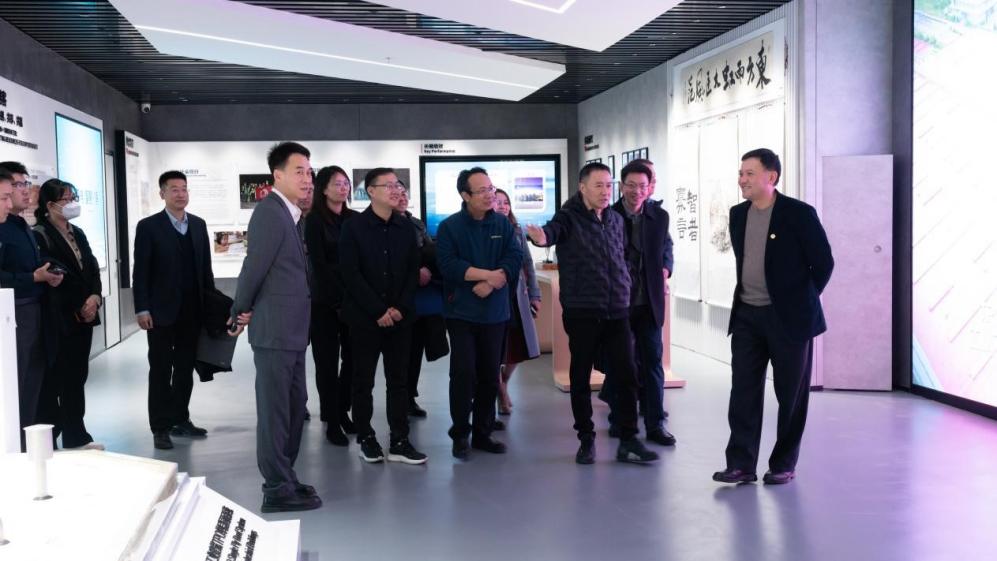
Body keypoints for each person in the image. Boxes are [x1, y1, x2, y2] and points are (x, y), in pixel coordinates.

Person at [712, 148, 834, 486]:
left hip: (789, 320)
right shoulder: (738, 214)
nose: (742, 180)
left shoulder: (798, 214)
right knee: (743, 392)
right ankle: (740, 464)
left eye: (749, 174)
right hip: (747, 316)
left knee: (790, 394)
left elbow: (824, 263)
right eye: (741, 173)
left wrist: (800, 300)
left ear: (771, 176)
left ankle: (783, 463)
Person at [526, 162, 658, 465]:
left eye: (608, 185)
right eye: (598, 185)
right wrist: (540, 237)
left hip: (617, 310)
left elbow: (623, 256)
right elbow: (550, 233)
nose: (605, 191)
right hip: (583, 311)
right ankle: (586, 438)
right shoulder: (568, 217)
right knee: (580, 375)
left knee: (627, 374)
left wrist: (626, 285)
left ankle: (628, 439)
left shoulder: (614, 218)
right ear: (582, 187)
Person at [231, 142, 318, 512]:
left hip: (291, 330)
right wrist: (240, 308)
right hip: (275, 331)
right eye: (299, 171)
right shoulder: (270, 213)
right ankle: (276, 488)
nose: (307, 179)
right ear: (277, 175)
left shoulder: (290, 214)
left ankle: (286, 476)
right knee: (275, 412)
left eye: (309, 172)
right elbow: (254, 266)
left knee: (294, 407)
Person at [338, 168, 427, 465]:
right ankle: (366, 437)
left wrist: (399, 307)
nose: (395, 189)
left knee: (399, 381)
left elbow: (412, 272)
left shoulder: (405, 227)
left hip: (401, 318)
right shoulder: (353, 227)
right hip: (365, 318)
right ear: (371, 191)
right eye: (387, 185)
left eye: (397, 184)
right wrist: (378, 310)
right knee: (363, 380)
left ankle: (400, 440)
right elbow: (350, 273)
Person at [436, 167, 522, 460]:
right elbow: (448, 265)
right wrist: (488, 276)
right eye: (482, 190)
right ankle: (460, 433)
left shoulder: (502, 223)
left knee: (489, 374)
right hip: (461, 312)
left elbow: (515, 256)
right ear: (465, 195)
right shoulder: (450, 227)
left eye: (491, 188)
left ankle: (483, 432)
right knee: (463, 373)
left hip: (495, 313)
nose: (490, 195)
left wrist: (496, 280)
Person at [133, 170, 216, 450]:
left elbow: (205, 270)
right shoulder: (149, 227)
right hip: (159, 313)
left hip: (192, 311)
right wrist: (142, 308)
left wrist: (211, 305)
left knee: (184, 368)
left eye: (184, 188)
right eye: (174, 189)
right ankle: (160, 427)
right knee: (160, 369)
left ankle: (180, 418)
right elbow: (140, 272)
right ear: (162, 194)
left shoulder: (198, 225)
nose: (181, 194)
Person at [602, 162, 676, 446]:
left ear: (649, 187)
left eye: (642, 186)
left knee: (653, 363)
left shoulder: (659, 216)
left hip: (650, 302)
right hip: (619, 303)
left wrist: (666, 269)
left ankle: (656, 425)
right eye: (631, 185)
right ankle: (620, 420)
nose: (636, 191)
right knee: (621, 364)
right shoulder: (608, 216)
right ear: (621, 186)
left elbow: (666, 248)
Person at [33, 179, 104, 450]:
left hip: (85, 316)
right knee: (56, 380)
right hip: (60, 317)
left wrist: (95, 297)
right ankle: (49, 439)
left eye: (74, 198)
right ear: (50, 205)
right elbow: (57, 274)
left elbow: (91, 268)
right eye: (66, 199)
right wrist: (80, 303)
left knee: (77, 377)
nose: (72, 203)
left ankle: (77, 435)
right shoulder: (41, 235)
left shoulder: (78, 232)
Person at [0, 163, 64, 451]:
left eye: (26, 184)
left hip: (32, 311)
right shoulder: (5, 228)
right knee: (18, 383)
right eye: (17, 186)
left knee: (32, 382)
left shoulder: (19, 224)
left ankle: (26, 445)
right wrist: (32, 278)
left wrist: (46, 274)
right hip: (13, 314)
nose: (24, 191)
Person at [304, 165, 358, 445]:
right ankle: (331, 420)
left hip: (354, 301)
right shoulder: (314, 221)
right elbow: (319, 265)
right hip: (324, 302)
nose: (343, 187)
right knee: (326, 362)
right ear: (323, 189)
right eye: (337, 183)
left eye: (345, 183)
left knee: (352, 360)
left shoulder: (354, 219)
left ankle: (342, 411)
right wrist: (337, 297)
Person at [394, 185, 447, 419]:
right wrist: (414, 272)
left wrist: (426, 269)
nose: (402, 197)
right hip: (398, 297)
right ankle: (399, 399)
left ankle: (409, 397)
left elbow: (429, 252)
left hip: (420, 298)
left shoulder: (416, 223)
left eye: (404, 193)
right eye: (397, 193)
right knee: (400, 353)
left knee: (415, 350)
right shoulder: (383, 225)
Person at [492, 188, 541, 416]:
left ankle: (502, 382)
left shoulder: (518, 230)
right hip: (493, 296)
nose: (503, 206)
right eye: (498, 202)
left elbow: (528, 264)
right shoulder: (486, 230)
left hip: (517, 297)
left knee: (517, 348)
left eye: (506, 202)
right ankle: (501, 392)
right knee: (493, 349)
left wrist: (535, 295)